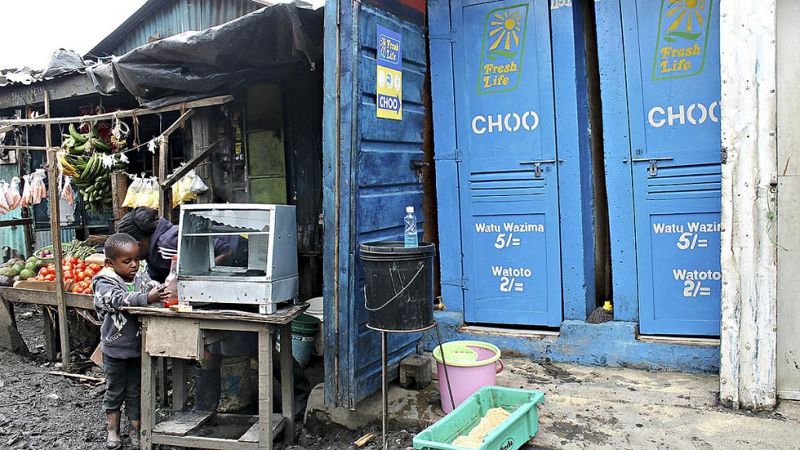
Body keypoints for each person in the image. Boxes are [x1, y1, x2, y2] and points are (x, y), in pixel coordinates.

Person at [92, 233, 168, 449]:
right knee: (115, 390)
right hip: (115, 349)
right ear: (110, 262)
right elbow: (116, 300)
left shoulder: (140, 277)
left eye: (137, 260)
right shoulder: (104, 282)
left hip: (138, 347)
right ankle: (113, 430)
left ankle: (135, 429)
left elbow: (151, 286)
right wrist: (146, 298)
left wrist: (162, 288)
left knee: (136, 390)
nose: (134, 265)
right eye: (127, 261)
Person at [116, 207, 234, 283]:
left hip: (240, 256)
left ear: (138, 244)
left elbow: (226, 251)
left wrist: (196, 279)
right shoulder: (151, 254)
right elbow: (157, 281)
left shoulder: (167, 244)